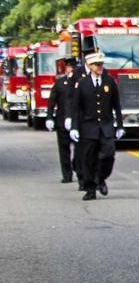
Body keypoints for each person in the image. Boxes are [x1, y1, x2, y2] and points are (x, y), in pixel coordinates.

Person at [71, 51, 123, 201]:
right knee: (88, 159)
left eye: (101, 64)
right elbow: (76, 108)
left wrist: (119, 125)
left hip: (106, 127)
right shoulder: (82, 83)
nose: (100, 67)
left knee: (108, 155)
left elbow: (116, 106)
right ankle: (90, 189)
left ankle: (100, 178)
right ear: (89, 65)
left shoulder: (109, 82)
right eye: (97, 65)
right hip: (88, 127)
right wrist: (74, 127)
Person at [46, 57, 77, 184]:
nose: (71, 70)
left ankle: (79, 170)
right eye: (70, 67)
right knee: (64, 150)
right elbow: (52, 101)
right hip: (61, 120)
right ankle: (67, 175)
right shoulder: (60, 83)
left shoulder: (81, 82)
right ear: (66, 68)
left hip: (77, 122)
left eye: (74, 68)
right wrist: (49, 117)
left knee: (80, 151)